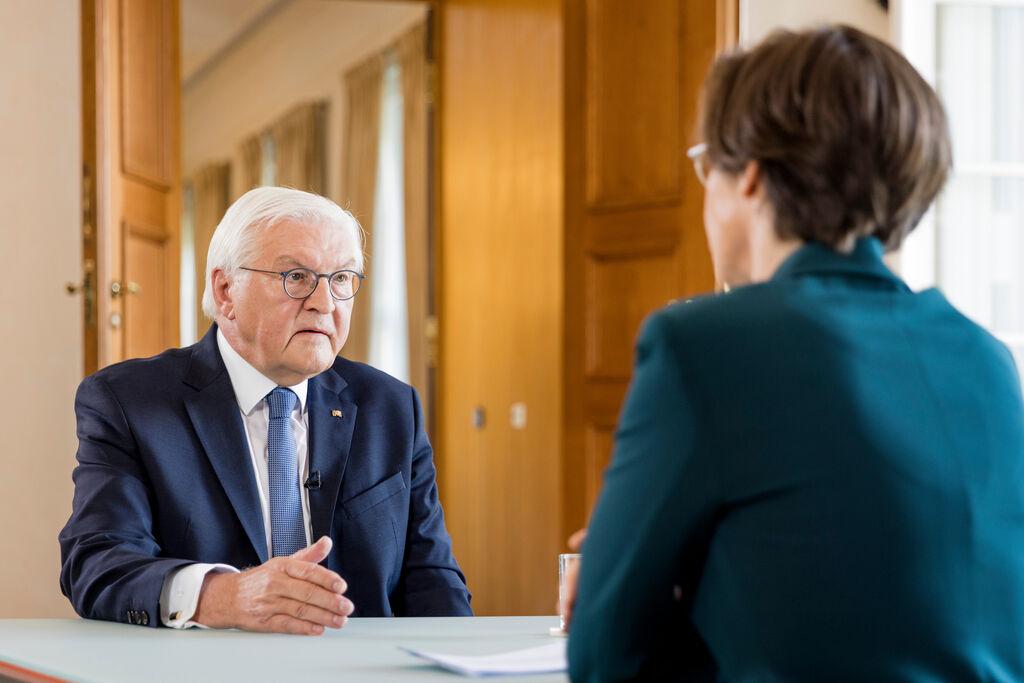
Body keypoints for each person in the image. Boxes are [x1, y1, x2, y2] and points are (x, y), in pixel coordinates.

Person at [567, 25, 1024, 682]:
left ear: (749, 177)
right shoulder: (987, 361)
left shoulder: (702, 344)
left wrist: (637, 586)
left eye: (705, 166)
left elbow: (603, 656)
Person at [59, 187, 472, 634]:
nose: (325, 302)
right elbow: (97, 564)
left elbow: (431, 576)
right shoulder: (129, 401)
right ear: (225, 291)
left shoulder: (390, 407)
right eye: (296, 277)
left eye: (341, 279)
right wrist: (222, 596)